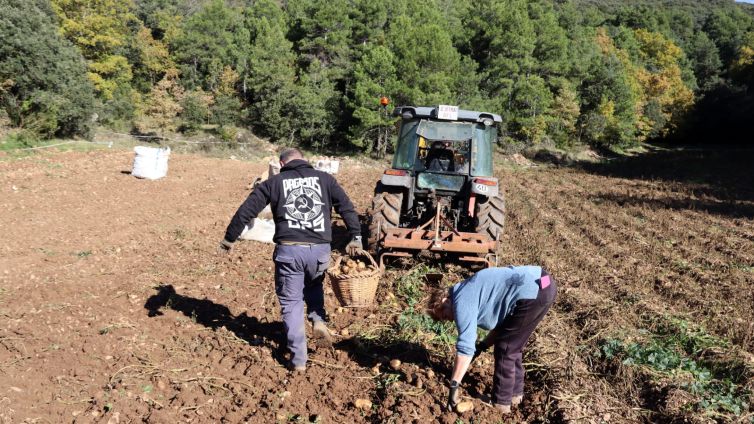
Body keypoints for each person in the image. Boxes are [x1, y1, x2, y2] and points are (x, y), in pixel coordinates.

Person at [218, 148, 363, 371]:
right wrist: (355, 236)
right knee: (314, 284)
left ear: (281, 163)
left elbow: (246, 210)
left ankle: (298, 359)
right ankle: (317, 319)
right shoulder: (325, 179)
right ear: (304, 159)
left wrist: (229, 238)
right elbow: (346, 207)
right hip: (320, 251)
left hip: (290, 251)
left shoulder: (274, 182)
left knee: (291, 302)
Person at [427, 266, 557, 414]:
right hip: (543, 284)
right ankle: (515, 395)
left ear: (445, 300)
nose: (448, 320)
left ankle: (501, 403)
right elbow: (501, 327)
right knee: (513, 345)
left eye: (444, 314)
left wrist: (454, 386)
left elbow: (465, 346)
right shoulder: (468, 291)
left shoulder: (461, 300)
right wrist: (481, 347)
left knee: (506, 347)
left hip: (533, 291)